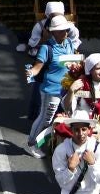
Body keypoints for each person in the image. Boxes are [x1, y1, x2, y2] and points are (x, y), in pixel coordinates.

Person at [25, 15, 81, 158]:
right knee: (46, 118)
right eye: (61, 30)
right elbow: (38, 67)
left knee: (70, 116)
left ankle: (65, 145)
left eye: (66, 30)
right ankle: (32, 144)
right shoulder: (46, 48)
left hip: (67, 89)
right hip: (51, 90)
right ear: (53, 32)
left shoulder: (68, 43)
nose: (65, 33)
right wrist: (31, 72)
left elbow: (72, 61)